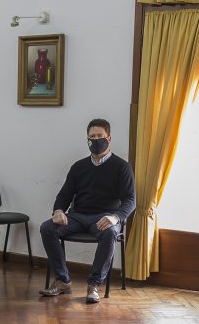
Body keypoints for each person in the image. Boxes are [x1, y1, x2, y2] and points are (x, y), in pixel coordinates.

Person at [39, 118, 136, 304]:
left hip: (105, 217)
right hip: (78, 216)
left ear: (108, 138)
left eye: (100, 136)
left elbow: (130, 200)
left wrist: (116, 217)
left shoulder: (122, 167)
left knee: (109, 234)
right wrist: (58, 210)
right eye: (92, 137)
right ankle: (63, 280)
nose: (96, 140)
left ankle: (94, 285)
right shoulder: (79, 167)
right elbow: (64, 194)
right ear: (87, 139)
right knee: (47, 228)